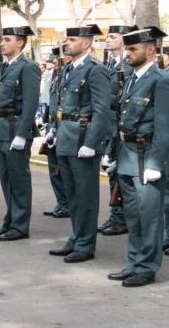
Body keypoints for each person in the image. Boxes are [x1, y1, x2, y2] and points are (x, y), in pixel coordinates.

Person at [105, 27, 169, 287]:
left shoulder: (160, 80)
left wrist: (155, 163)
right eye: (127, 48)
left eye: (133, 49)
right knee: (133, 217)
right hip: (128, 156)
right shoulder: (131, 78)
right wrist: (113, 154)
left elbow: (164, 127)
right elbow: (121, 121)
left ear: (150, 50)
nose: (128, 53)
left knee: (149, 217)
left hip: (147, 158)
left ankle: (146, 268)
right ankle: (133, 263)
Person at [47, 25, 112, 264]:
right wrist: (55, 130)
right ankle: (76, 238)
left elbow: (102, 110)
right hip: (66, 137)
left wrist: (92, 143)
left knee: (86, 196)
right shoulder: (68, 68)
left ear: (86, 44)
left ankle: (85, 244)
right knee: (72, 194)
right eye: (67, 39)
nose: (67, 43)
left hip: (83, 138)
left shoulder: (95, 70)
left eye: (72, 39)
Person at [0, 27, 41, 242]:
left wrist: (22, 134)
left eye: (7, 40)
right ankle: (10, 220)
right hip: (2, 127)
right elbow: (1, 97)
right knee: (6, 178)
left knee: (19, 180)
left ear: (20, 43)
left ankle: (20, 225)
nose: (2, 43)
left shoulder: (28, 67)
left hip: (15, 127)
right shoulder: (6, 66)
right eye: (2, 40)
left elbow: (30, 103)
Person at [98, 25, 137, 237]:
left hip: (118, 122)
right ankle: (116, 216)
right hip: (107, 123)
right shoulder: (110, 64)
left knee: (119, 173)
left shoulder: (129, 66)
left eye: (112, 36)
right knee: (112, 172)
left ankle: (121, 218)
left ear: (124, 40)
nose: (107, 39)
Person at [42, 48, 70, 219]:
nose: (54, 61)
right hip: (52, 124)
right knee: (53, 167)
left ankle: (68, 203)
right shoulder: (56, 75)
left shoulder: (69, 76)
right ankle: (61, 202)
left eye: (58, 58)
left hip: (63, 126)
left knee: (63, 169)